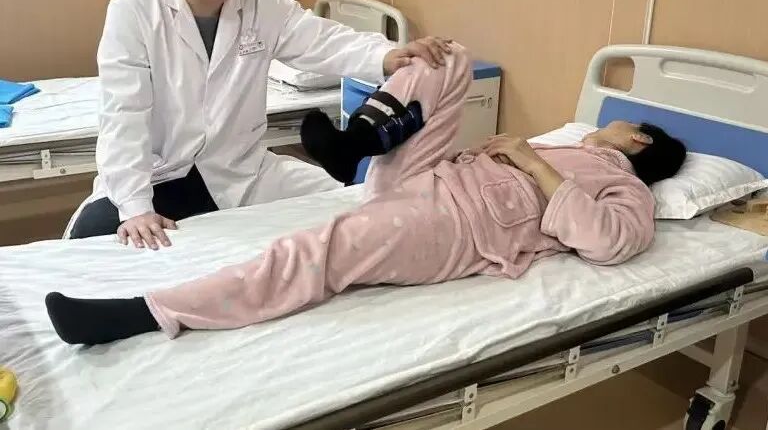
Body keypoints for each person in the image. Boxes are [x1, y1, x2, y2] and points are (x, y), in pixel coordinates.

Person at [46, 45, 687, 345]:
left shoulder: (626, 188)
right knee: (447, 58)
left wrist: (529, 159)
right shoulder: (565, 145)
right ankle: (355, 143)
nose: (602, 125)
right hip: (429, 179)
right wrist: (524, 153)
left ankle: (149, 311)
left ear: (637, 140)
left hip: (452, 227)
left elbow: (608, 242)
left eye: (619, 124)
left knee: (314, 251)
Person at [67, 0, 451, 249]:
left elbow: (320, 39)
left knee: (356, 202)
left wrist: (386, 56)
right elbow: (125, 114)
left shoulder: (259, 1)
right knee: (97, 236)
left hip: (238, 171)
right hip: (158, 174)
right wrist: (135, 207)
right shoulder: (134, 11)